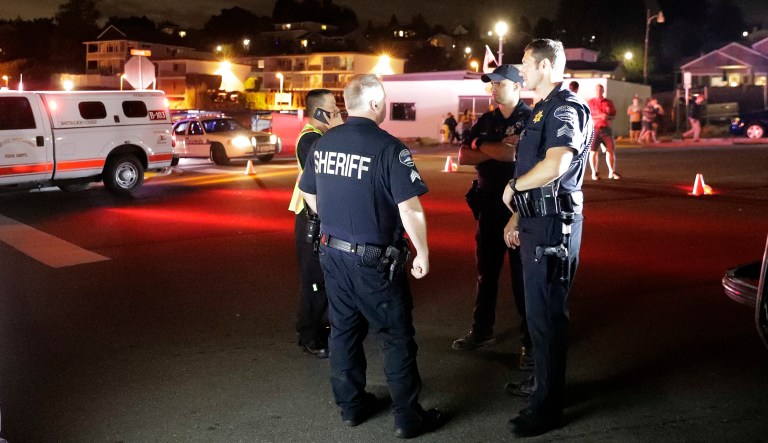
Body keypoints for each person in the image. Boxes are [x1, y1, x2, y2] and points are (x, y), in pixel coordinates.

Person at [299, 74, 443, 439]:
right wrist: (422, 251)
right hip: (374, 261)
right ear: (376, 103)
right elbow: (410, 209)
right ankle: (408, 418)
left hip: (332, 254)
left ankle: (351, 407)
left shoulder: (324, 142)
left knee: (344, 331)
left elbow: (310, 197)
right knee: (394, 335)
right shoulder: (389, 148)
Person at [502, 39, 592, 437]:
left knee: (547, 317)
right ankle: (543, 384)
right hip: (538, 221)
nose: (520, 70)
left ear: (545, 65)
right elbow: (538, 167)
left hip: (555, 226)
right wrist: (517, 217)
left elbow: (557, 164)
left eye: (525, 63)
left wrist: (513, 188)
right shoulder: (542, 110)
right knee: (537, 316)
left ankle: (547, 407)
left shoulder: (565, 108)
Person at [453, 64, 533, 372]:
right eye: (492, 83)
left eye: (500, 83)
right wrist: (492, 148)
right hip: (487, 207)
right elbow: (462, 156)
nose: (493, 87)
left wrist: (481, 147)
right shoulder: (486, 120)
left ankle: (530, 341)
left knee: (522, 279)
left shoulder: (530, 119)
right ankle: (481, 331)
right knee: (485, 273)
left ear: (516, 86)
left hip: (519, 208)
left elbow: (515, 156)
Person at [288, 89, 344, 358]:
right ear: (320, 112)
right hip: (311, 219)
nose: (338, 111)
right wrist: (341, 130)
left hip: (321, 216)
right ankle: (309, 334)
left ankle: (322, 326)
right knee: (313, 280)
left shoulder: (321, 137)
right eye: (334, 107)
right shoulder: (310, 139)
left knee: (324, 278)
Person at [587, 84, 619, 180]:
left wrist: (607, 117)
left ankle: (612, 172)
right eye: (597, 89)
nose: (599, 91)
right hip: (595, 129)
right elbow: (587, 116)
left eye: (601, 90)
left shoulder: (608, 102)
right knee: (593, 152)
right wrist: (599, 116)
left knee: (610, 151)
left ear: (603, 91)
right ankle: (594, 173)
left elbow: (613, 115)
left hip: (606, 129)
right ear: (595, 90)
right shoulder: (590, 102)